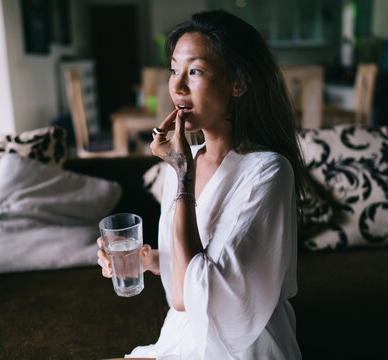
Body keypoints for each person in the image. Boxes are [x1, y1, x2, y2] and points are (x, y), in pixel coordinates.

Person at [97, 9, 309, 359]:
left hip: (238, 345)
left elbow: (187, 294)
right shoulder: (184, 159)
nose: (177, 86)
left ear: (237, 83)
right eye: (174, 70)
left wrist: (183, 173)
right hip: (182, 334)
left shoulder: (269, 171)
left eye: (195, 71)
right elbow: (192, 265)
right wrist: (147, 258)